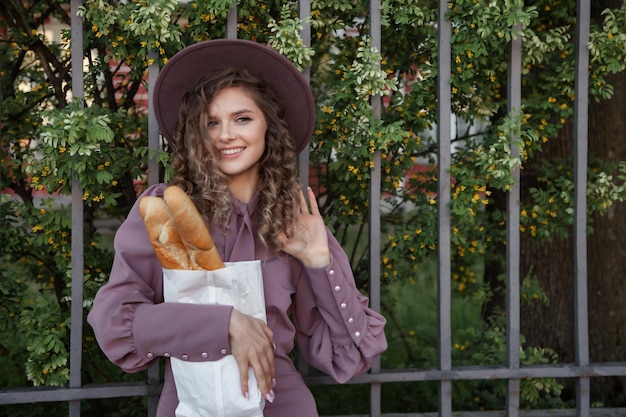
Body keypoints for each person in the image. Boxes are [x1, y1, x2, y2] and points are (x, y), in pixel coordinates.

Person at [87, 39, 388, 417]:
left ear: (269, 128)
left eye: (242, 118)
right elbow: (115, 324)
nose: (225, 134)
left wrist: (319, 262)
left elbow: (351, 354)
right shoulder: (165, 210)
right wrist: (225, 324)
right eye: (211, 122)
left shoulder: (292, 216)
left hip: (281, 405)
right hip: (189, 403)